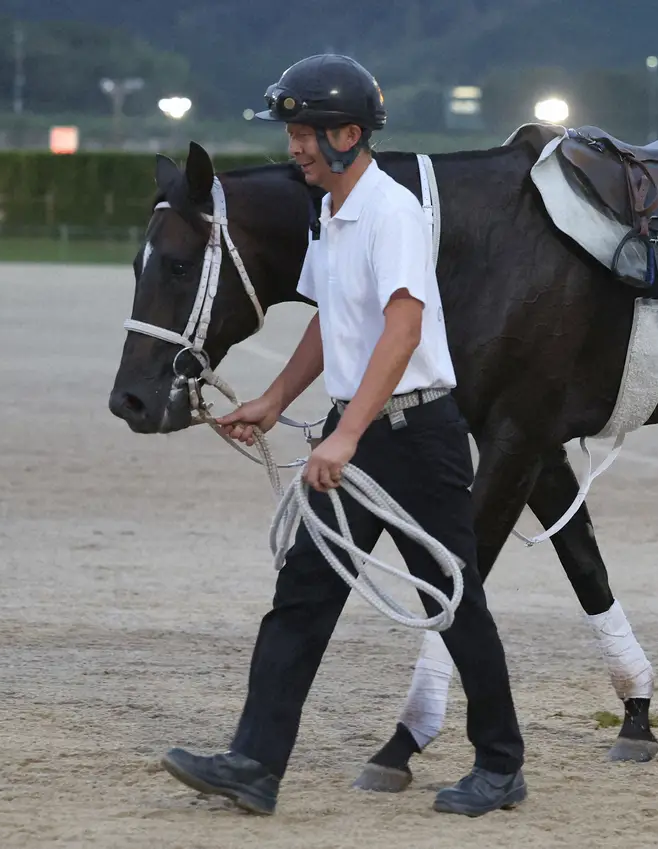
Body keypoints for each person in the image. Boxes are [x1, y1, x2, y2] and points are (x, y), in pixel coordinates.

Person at [158, 54, 527, 818]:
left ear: (350, 134)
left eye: (305, 132)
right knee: (301, 592)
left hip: (413, 432)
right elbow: (335, 320)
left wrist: (348, 432)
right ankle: (254, 764)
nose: (294, 146)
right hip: (357, 429)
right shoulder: (329, 212)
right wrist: (272, 399)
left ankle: (501, 763)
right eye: (292, 132)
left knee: (452, 598)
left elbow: (403, 326)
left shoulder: (390, 212)